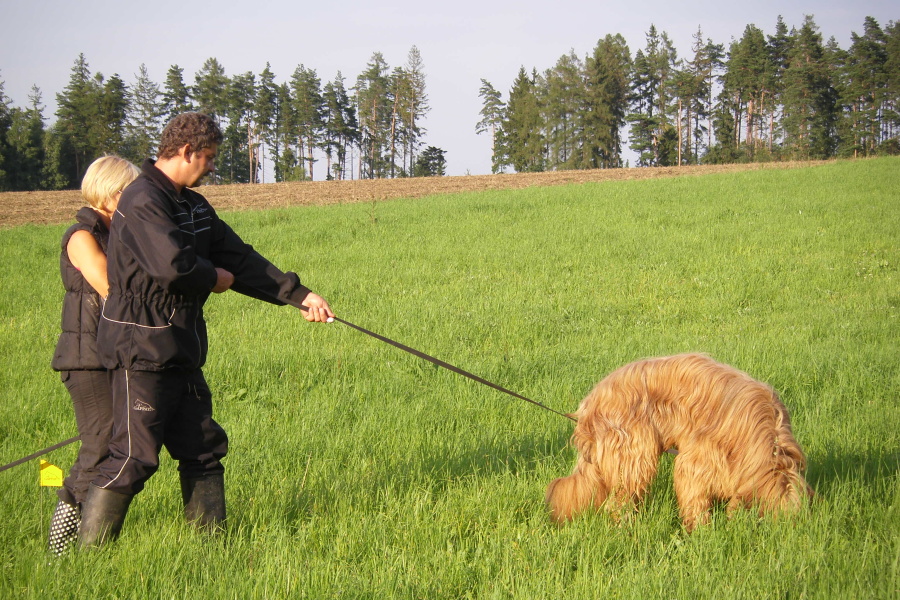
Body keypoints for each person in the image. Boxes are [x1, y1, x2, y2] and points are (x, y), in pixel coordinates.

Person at [77, 112, 334, 548]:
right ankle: (87, 560)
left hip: (181, 346)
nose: (212, 166)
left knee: (203, 448)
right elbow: (171, 267)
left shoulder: (193, 205)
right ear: (186, 152)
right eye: (209, 157)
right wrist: (212, 277)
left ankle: (212, 551)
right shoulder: (142, 200)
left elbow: (238, 256)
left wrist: (297, 296)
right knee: (133, 458)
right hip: (139, 347)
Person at [48, 155, 141, 556]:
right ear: (111, 192)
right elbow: (111, 289)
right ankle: (61, 544)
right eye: (131, 192)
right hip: (84, 359)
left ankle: (89, 539)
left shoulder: (114, 232)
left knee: (113, 444)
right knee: (99, 446)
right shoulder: (81, 236)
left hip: (108, 356)